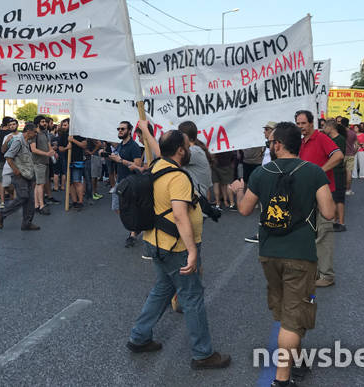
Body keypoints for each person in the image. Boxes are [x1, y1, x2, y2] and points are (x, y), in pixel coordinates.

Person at [230, 122, 335, 386]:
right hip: (300, 252)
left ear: (277, 145)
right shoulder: (313, 172)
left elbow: (244, 209)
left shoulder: (262, 173)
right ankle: (282, 378)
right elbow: (329, 212)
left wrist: (239, 189)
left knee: (286, 309)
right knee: (293, 314)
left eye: (270, 142)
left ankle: (296, 361)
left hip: (269, 252)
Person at [127, 130, 231, 370]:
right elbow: (179, 214)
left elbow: (156, 148)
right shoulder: (178, 177)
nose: (190, 148)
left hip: (155, 241)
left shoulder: (156, 165)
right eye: (187, 145)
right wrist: (192, 252)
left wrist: (145, 127)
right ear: (181, 151)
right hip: (176, 247)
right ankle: (203, 354)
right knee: (192, 297)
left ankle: (139, 336)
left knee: (162, 290)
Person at [295, 110, 343, 288]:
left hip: (323, 192)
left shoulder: (321, 138)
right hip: (306, 194)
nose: (301, 127)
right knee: (309, 233)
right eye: (298, 124)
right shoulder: (300, 142)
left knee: (324, 232)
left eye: (303, 123)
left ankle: (327, 275)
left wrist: (319, 171)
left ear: (311, 123)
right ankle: (314, 272)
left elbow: (338, 156)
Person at [0, 123, 39, 231]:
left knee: (30, 200)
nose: (35, 134)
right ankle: (2, 213)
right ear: (28, 131)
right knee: (23, 196)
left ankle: (27, 223)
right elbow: (8, 156)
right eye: (35, 132)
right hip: (20, 175)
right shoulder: (18, 141)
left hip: (28, 174)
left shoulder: (27, 142)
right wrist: (16, 171)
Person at [108, 121, 143, 246]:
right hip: (120, 181)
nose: (120, 131)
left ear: (130, 130)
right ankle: (135, 225)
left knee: (130, 208)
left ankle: (133, 233)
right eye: (118, 129)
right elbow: (117, 157)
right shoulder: (120, 145)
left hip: (131, 182)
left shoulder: (134, 146)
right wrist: (109, 155)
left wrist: (121, 160)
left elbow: (137, 165)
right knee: (116, 207)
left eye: (122, 129)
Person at [323, 120, 347, 231]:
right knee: (333, 197)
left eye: (324, 127)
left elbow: (338, 156)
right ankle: (335, 220)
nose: (323, 129)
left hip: (338, 172)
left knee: (339, 198)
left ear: (330, 127)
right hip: (332, 172)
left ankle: (341, 223)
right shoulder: (330, 139)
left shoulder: (340, 139)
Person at [30, 115, 54, 216]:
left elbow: (49, 146)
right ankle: (41, 205)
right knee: (40, 184)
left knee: (39, 184)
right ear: (38, 123)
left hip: (45, 162)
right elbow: (33, 149)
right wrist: (46, 154)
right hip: (38, 162)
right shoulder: (34, 134)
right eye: (43, 121)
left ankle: (36, 205)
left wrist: (52, 151)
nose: (45, 123)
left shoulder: (45, 133)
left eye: (45, 121)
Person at [0, 117, 14, 209]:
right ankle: (13, 200)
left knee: (0, 180)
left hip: (1, 159)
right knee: (12, 180)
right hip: (11, 160)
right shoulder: (12, 134)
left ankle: (2, 201)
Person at [341, 118, 358, 195]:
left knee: (340, 172)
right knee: (349, 172)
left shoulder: (340, 132)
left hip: (341, 154)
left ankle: (340, 188)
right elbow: (357, 145)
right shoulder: (353, 133)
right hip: (350, 154)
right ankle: (348, 190)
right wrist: (354, 152)